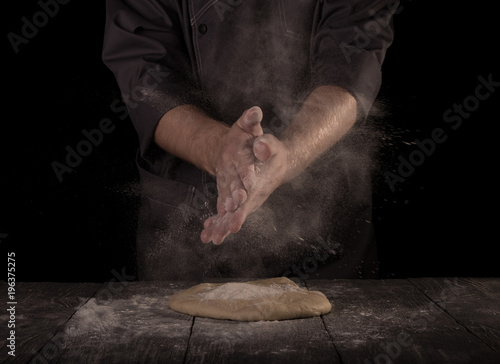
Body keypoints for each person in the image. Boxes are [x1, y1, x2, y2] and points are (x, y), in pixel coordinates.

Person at [102, 0, 397, 280]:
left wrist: (290, 152)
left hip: (328, 242)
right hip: (191, 232)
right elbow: (143, 69)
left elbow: (354, 50)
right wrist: (219, 149)